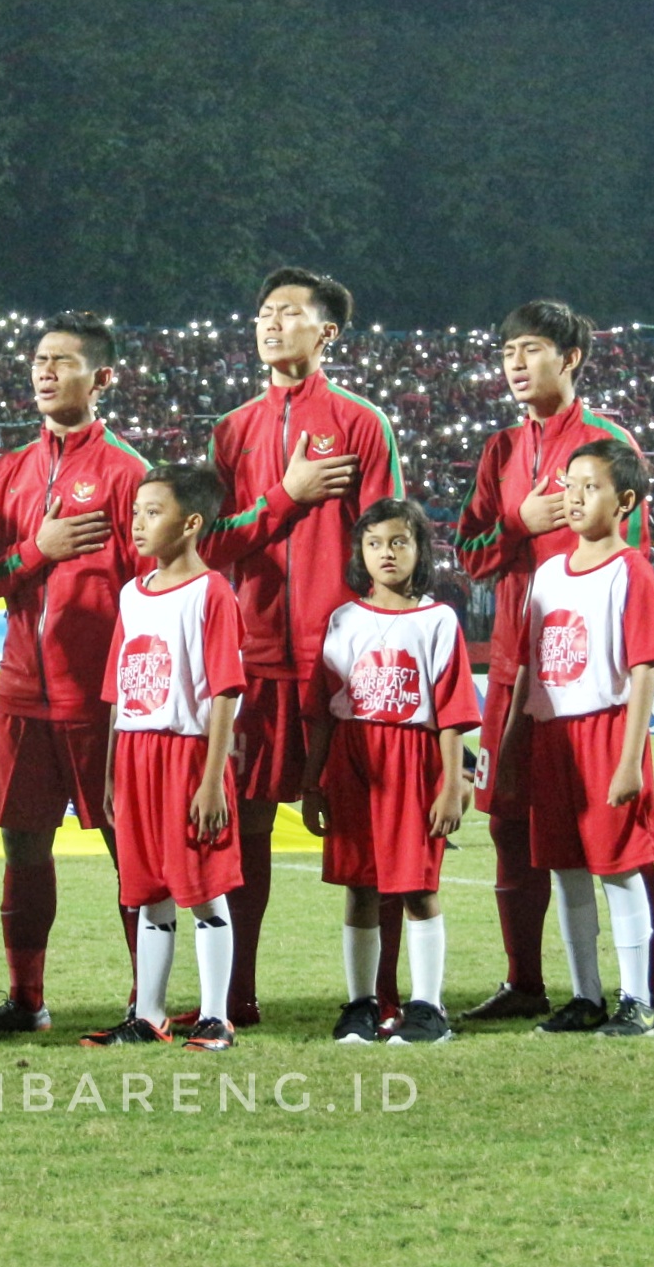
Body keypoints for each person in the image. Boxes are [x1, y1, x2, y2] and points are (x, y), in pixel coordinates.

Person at [203, 267, 403, 1027]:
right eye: (263, 312)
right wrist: (285, 496)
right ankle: (236, 995)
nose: (270, 322)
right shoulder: (231, 431)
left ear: (326, 333)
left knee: (362, 830)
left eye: (288, 313)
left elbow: (391, 538)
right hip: (253, 658)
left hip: (341, 663)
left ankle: (375, 998)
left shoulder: (360, 422)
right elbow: (211, 542)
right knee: (244, 828)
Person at [0, 312, 150, 1036]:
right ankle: (25, 998)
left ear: (100, 378)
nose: (43, 371)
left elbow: (151, 594)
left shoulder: (128, 473)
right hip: (21, 693)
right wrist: (36, 549)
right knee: (21, 843)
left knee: (125, 843)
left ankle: (144, 998)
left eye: (61, 362)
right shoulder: (8, 472)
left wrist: (136, 694)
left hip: (100, 700)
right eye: (38, 359)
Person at [456, 300, 650, 1021]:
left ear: (569, 358)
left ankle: (640, 990)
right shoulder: (500, 450)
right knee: (511, 821)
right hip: (514, 666)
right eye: (506, 350)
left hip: (585, 673)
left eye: (529, 349)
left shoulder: (606, 444)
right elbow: (468, 556)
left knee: (614, 827)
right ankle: (526, 981)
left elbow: (635, 561)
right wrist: (517, 521)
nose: (512, 363)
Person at [497, 440, 654, 1038]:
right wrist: (513, 743)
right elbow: (529, 666)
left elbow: (646, 669)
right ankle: (585, 995)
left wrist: (630, 761)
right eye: (569, 484)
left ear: (625, 501)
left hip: (606, 733)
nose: (573, 496)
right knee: (566, 870)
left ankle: (638, 1000)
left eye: (590, 486)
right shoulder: (547, 573)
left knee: (619, 868)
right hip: (553, 740)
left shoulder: (632, 571)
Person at [300, 499, 479, 1045]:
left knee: (419, 889)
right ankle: (361, 1005)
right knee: (360, 888)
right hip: (355, 766)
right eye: (374, 543)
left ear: (420, 549)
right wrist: (313, 784)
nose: (387, 553)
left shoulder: (437, 619)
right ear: (360, 552)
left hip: (413, 763)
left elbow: (451, 714)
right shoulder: (344, 619)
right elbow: (328, 710)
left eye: (399, 542)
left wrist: (452, 785)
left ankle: (428, 1007)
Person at [82, 466, 246, 1052]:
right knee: (146, 890)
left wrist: (212, 781)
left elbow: (226, 689)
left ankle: (215, 1017)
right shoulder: (132, 593)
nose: (138, 523)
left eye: (153, 512)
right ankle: (148, 1014)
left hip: (187, 755)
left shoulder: (212, 593)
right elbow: (117, 691)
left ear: (192, 523)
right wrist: (109, 772)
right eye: (136, 512)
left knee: (201, 890)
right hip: (135, 754)